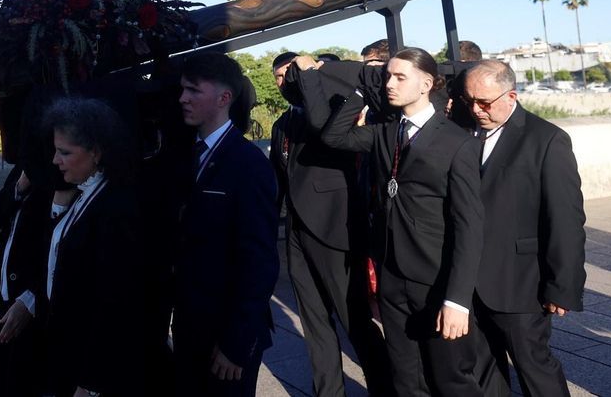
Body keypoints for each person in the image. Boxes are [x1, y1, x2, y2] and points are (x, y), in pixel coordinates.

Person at [319, 47, 487, 397]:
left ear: (426, 84)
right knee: (407, 379)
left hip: (436, 281)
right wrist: (361, 91)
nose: (389, 84)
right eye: (386, 77)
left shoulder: (457, 141)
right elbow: (334, 136)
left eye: (399, 77)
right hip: (392, 278)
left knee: (452, 379)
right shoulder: (386, 132)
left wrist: (457, 300)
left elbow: (469, 225)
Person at [272, 54, 395, 397]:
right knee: (313, 324)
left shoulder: (331, 109)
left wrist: (312, 74)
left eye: (290, 74)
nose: (285, 83)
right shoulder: (281, 124)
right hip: (295, 231)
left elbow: (323, 130)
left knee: (353, 319)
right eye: (279, 78)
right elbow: (276, 181)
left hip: (334, 229)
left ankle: (386, 388)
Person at [462, 60, 585, 397]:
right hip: (468, 282)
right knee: (484, 370)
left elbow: (565, 218)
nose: (476, 109)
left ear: (511, 95)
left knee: (534, 367)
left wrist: (563, 285)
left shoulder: (546, 139)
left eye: (484, 102)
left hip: (521, 281)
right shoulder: (463, 131)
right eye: (469, 101)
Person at [172, 53, 280, 396]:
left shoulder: (249, 165)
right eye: (182, 89)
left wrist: (237, 342)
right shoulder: (187, 155)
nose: (182, 99)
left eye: (193, 90)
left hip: (227, 330)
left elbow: (259, 261)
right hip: (191, 323)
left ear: (224, 98)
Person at [41, 98, 143, 397]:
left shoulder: (117, 207)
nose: (55, 161)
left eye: (65, 152)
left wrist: (90, 382)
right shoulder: (85, 193)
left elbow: (116, 301)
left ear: (96, 152)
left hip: (92, 369)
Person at [0, 163, 55, 397]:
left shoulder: (58, 178)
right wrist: (19, 186)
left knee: (25, 383)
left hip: (33, 303)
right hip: (7, 297)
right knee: (4, 383)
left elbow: (59, 251)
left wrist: (31, 299)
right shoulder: (22, 172)